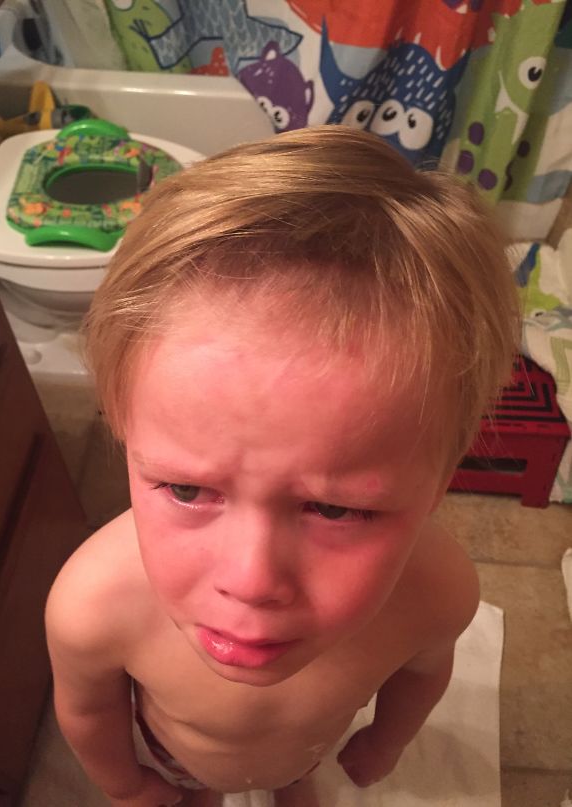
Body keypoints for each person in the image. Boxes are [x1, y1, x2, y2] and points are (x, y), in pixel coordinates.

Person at [45, 126, 520, 807]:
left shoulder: (437, 593)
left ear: (439, 482)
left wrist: (383, 740)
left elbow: (422, 672)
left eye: (334, 507)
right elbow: (90, 711)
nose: (251, 581)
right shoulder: (92, 607)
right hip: (180, 766)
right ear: (125, 434)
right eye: (185, 488)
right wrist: (124, 784)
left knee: (296, 772)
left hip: (306, 747)